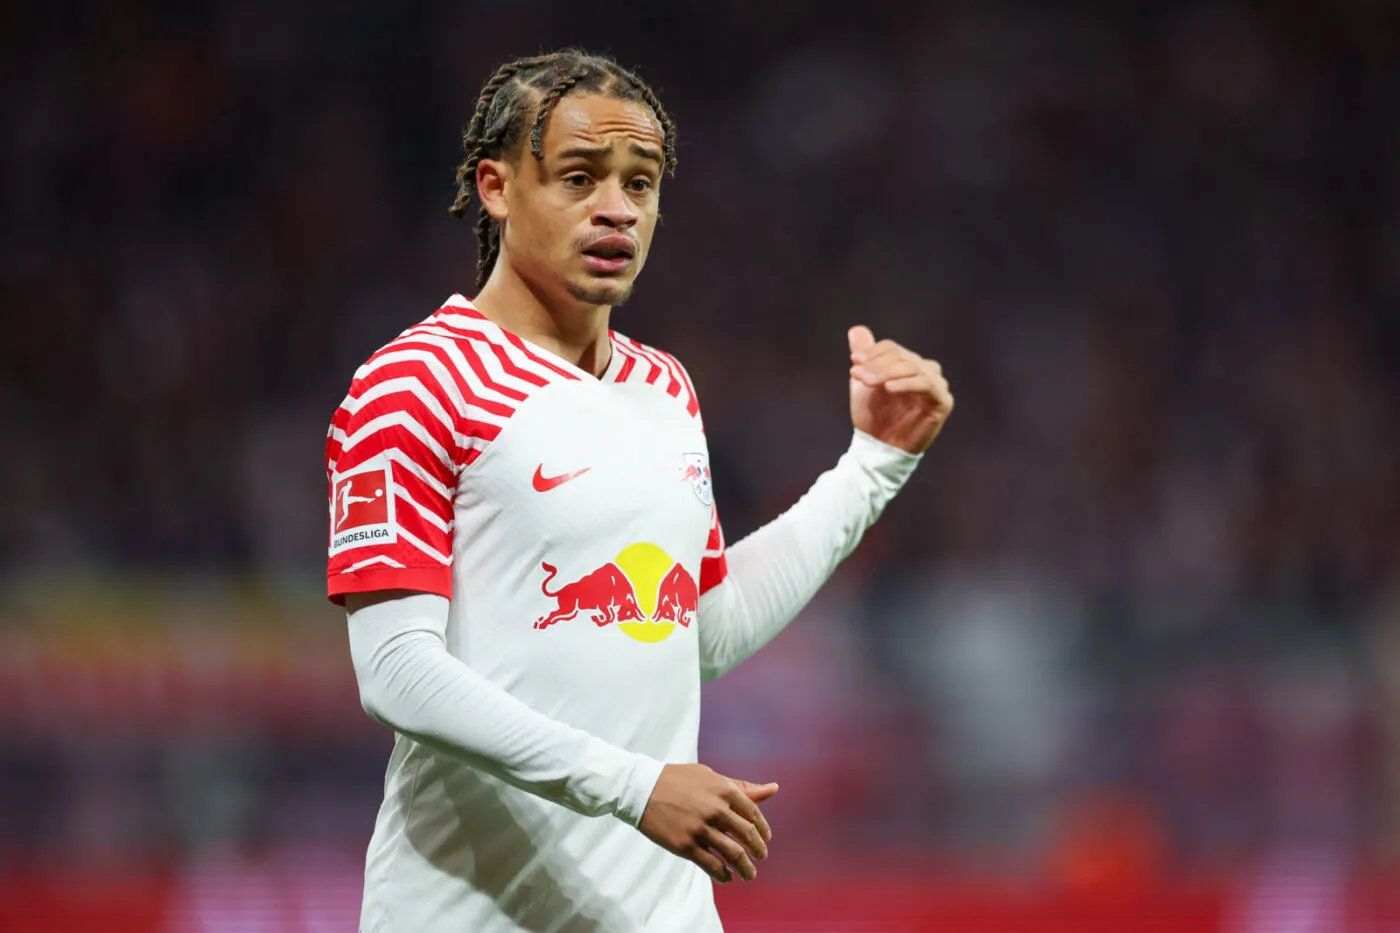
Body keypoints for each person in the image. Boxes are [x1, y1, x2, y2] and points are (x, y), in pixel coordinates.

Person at [326, 48, 953, 933]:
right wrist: (634, 787)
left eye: (641, 182)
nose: (617, 208)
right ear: (496, 187)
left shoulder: (665, 388)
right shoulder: (417, 381)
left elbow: (701, 631)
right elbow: (395, 672)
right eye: (580, 177)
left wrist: (872, 466)